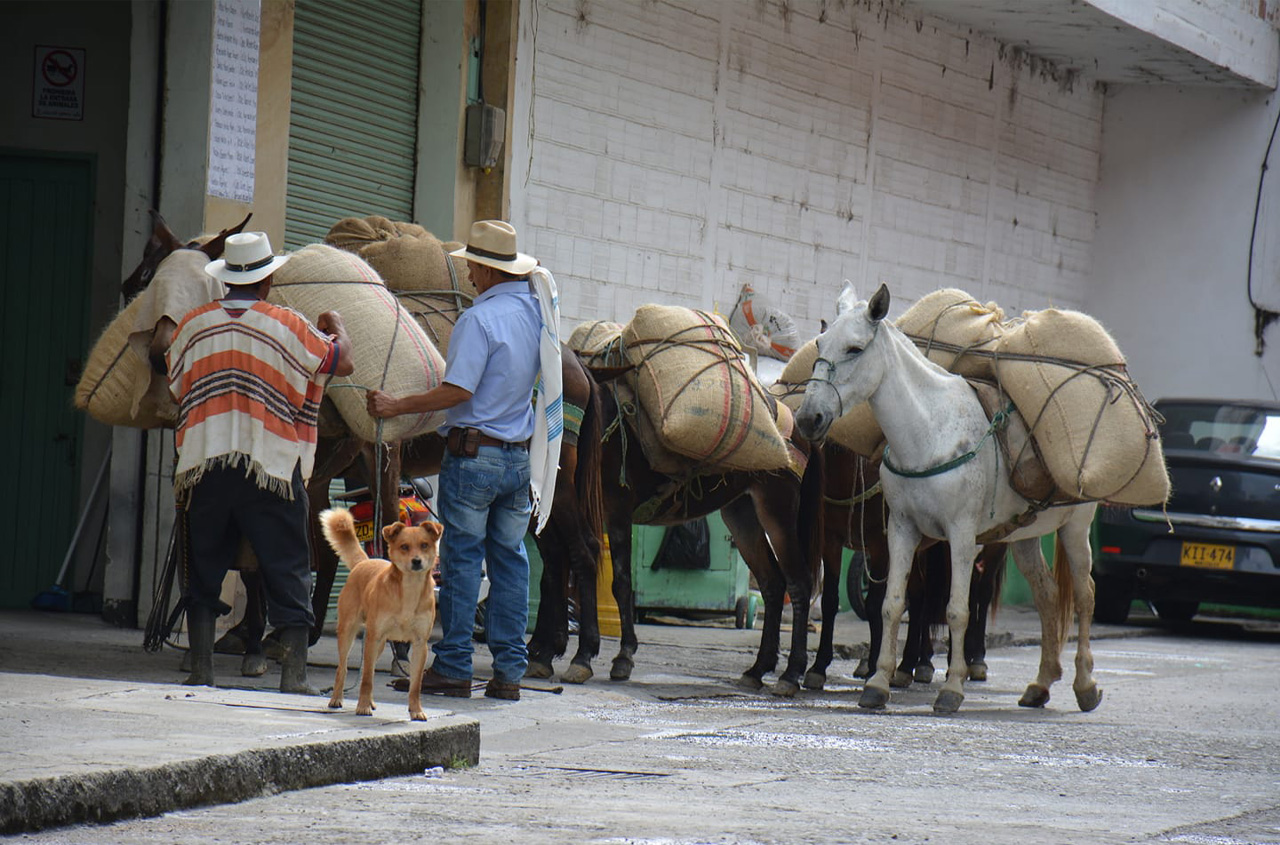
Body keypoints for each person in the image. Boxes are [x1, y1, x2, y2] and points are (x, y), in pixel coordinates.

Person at [165, 231, 354, 693]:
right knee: (288, 562)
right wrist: (337, 326)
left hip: (204, 463)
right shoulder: (288, 324)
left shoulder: (194, 325)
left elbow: (174, 383)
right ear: (268, 281)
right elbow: (340, 362)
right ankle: (294, 676)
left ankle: (202, 669)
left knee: (203, 562)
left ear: (226, 279)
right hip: (270, 464)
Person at [367, 220, 542, 701]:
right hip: (517, 460)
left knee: (464, 563)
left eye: (472, 268)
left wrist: (396, 405)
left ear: (488, 270)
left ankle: (455, 667)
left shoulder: (479, 320)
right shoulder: (536, 315)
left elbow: (458, 390)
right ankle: (508, 673)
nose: (467, 277)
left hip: (474, 457)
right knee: (511, 563)